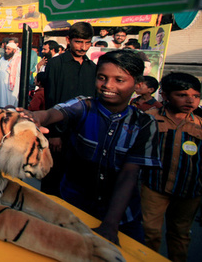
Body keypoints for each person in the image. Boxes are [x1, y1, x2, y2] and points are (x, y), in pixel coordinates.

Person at [26, 50, 161, 245]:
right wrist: (37, 117)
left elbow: (129, 175)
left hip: (120, 218)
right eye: (102, 78)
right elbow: (54, 113)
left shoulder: (145, 124)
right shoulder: (84, 105)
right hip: (74, 207)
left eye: (119, 80)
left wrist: (111, 224)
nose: (108, 85)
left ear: (137, 84)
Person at [140, 72, 202, 261]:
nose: (190, 100)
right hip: (154, 186)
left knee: (180, 234)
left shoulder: (201, 124)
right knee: (149, 232)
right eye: (182, 95)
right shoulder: (149, 118)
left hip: (189, 190)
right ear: (166, 96)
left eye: (195, 96)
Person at [40, 22, 98, 196]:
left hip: (83, 133)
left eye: (87, 43)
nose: (83, 47)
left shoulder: (92, 68)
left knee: (78, 180)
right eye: (79, 42)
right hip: (59, 132)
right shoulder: (56, 64)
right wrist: (55, 133)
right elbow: (51, 98)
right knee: (52, 177)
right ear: (68, 40)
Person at [0, 41, 21, 108]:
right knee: (0, 104)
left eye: (9, 49)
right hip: (0, 87)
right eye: (6, 49)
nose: (6, 51)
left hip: (12, 88)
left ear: (14, 50)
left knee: (10, 106)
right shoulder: (2, 59)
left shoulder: (18, 60)